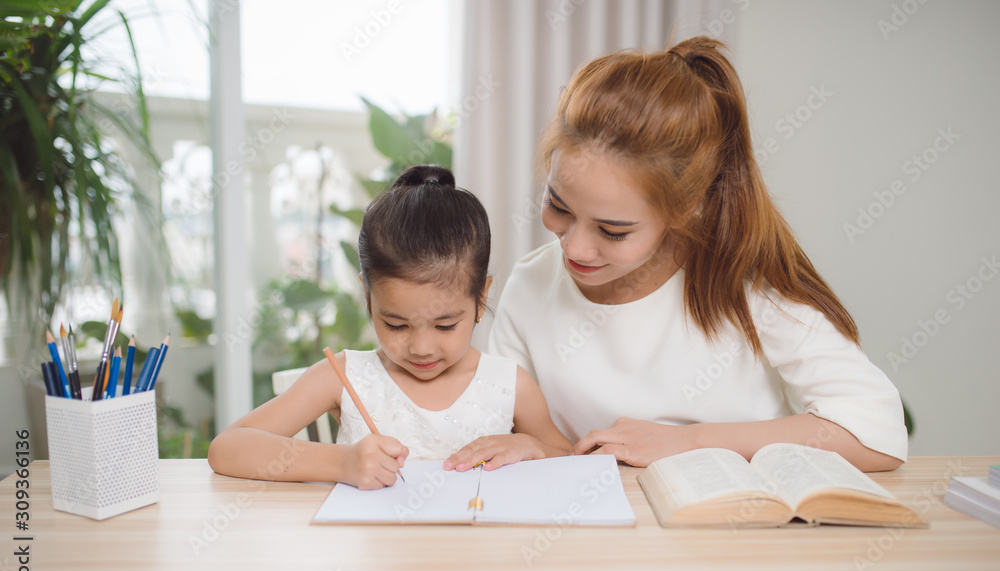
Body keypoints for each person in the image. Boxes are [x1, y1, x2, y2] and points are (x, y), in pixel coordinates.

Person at [448, 36, 907, 473]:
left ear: (683, 209)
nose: (575, 247)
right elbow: (505, 431)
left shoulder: (744, 284)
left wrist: (685, 441)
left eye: (613, 230)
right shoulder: (531, 285)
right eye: (558, 207)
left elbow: (877, 431)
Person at [208, 165, 572, 488]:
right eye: (396, 324)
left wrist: (531, 446)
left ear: (481, 297)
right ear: (368, 297)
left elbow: (568, 457)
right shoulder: (346, 377)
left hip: (473, 559)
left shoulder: (510, 384)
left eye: (445, 325)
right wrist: (341, 462)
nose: (421, 347)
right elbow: (228, 448)